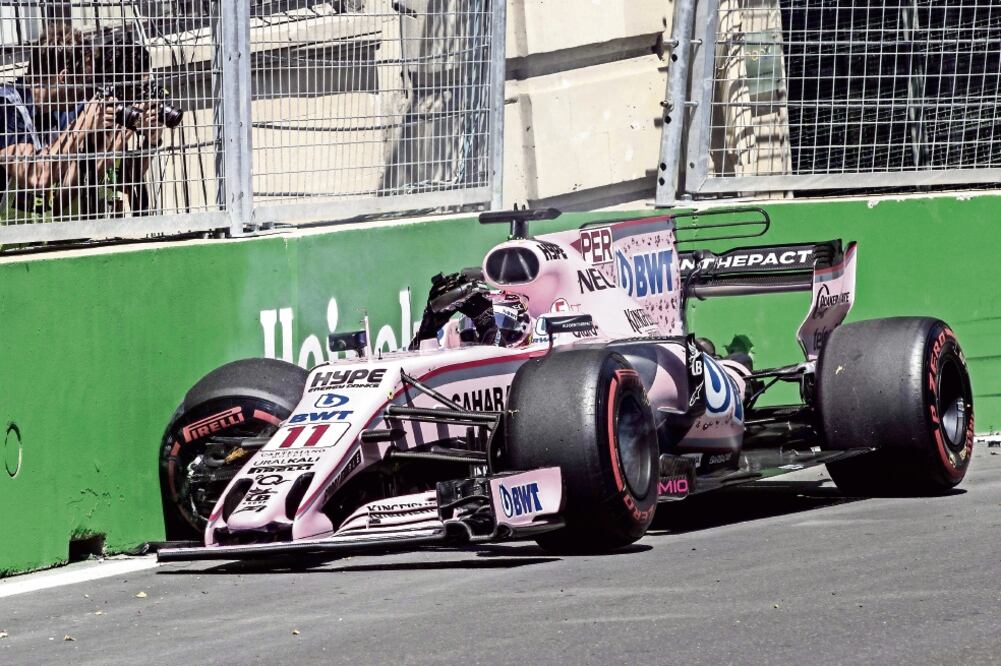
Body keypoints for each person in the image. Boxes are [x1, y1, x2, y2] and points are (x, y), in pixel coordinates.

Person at [0, 23, 162, 222]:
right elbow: (38, 176)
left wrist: (148, 138)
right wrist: (84, 127)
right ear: (64, 78)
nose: (86, 93)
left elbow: (69, 188)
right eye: (84, 82)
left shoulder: (59, 114)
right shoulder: (5, 107)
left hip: (43, 240)